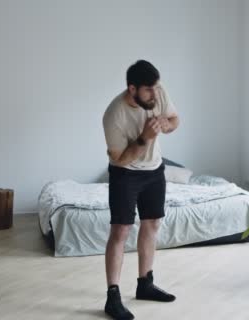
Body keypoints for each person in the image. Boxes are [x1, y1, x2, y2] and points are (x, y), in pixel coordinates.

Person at [102, 60, 180, 320]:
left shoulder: (156, 91)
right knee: (120, 230)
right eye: (148, 90)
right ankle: (112, 297)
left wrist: (165, 127)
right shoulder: (114, 115)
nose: (155, 94)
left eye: (156, 88)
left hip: (155, 170)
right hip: (125, 174)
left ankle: (144, 284)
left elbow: (174, 119)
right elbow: (119, 158)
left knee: (153, 224)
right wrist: (146, 137)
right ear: (132, 88)